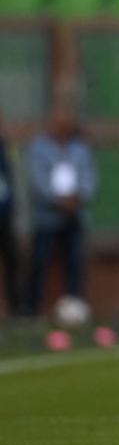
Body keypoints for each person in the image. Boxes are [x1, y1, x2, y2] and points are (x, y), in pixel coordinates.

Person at [25, 106, 98, 317]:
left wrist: (78, 198)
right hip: (47, 215)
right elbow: (37, 179)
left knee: (75, 262)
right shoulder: (39, 147)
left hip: (75, 214)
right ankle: (31, 308)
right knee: (39, 260)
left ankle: (75, 309)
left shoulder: (81, 148)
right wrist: (58, 200)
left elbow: (90, 177)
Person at [0, 112, 20, 317]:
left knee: (13, 258)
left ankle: (16, 308)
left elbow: (11, 174)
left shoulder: (5, 146)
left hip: (5, 213)